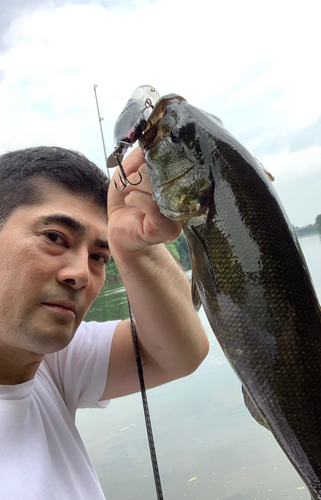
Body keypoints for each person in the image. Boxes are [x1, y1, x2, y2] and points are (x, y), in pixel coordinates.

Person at [0, 145, 209, 499]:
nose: (81, 274)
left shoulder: (46, 363)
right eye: (54, 237)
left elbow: (178, 354)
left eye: (99, 256)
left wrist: (135, 246)